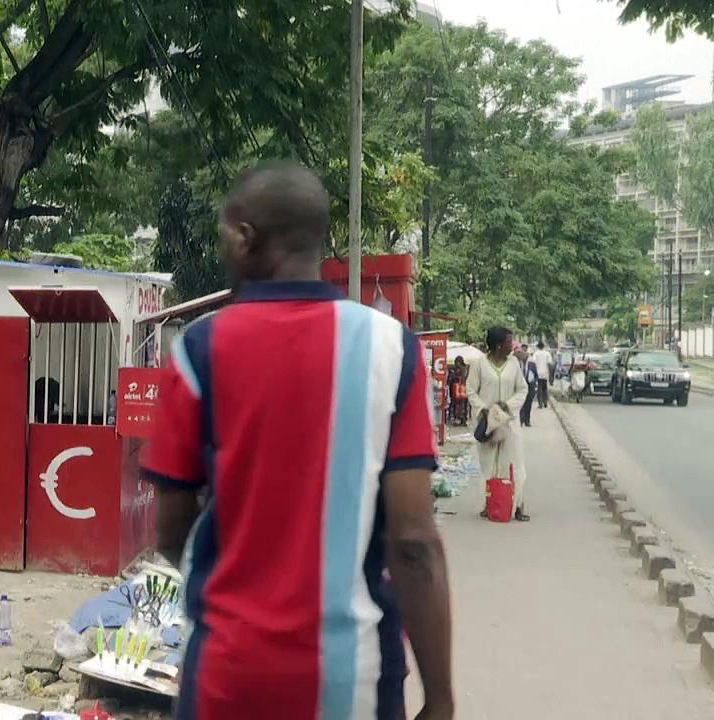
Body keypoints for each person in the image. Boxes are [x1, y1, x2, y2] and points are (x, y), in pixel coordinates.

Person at [143, 162, 453, 720]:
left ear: (244, 237)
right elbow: (413, 542)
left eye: (223, 237)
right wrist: (441, 696)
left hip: (227, 676)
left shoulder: (198, 350)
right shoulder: (394, 350)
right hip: (353, 678)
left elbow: (169, 530)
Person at [467, 326, 530, 521]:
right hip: (487, 423)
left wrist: (507, 406)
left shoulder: (514, 364)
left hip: (509, 423)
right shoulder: (479, 365)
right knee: (489, 466)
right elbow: (471, 391)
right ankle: (490, 504)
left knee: (515, 465)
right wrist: (483, 410)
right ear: (498, 345)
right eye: (510, 342)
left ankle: (518, 505)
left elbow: (522, 390)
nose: (513, 345)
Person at [447, 356, 471, 426]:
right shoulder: (461, 369)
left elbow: (464, 377)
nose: (457, 364)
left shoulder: (463, 369)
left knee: (462, 404)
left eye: (458, 362)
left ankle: (462, 419)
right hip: (459, 390)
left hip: (461, 389)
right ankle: (460, 419)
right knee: (458, 404)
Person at [518, 351, 538, 428]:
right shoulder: (518, 364)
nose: (524, 358)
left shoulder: (532, 364)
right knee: (521, 403)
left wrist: (534, 382)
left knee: (528, 404)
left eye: (525, 356)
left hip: (530, 386)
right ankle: (521, 420)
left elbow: (536, 375)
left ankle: (527, 421)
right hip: (521, 386)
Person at [531, 342, 554, 409]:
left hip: (538, 373)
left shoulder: (536, 353)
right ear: (543, 347)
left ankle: (540, 404)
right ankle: (545, 402)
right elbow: (550, 364)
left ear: (538, 347)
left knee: (539, 389)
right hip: (545, 373)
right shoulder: (547, 353)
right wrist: (551, 375)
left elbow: (533, 363)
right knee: (545, 388)